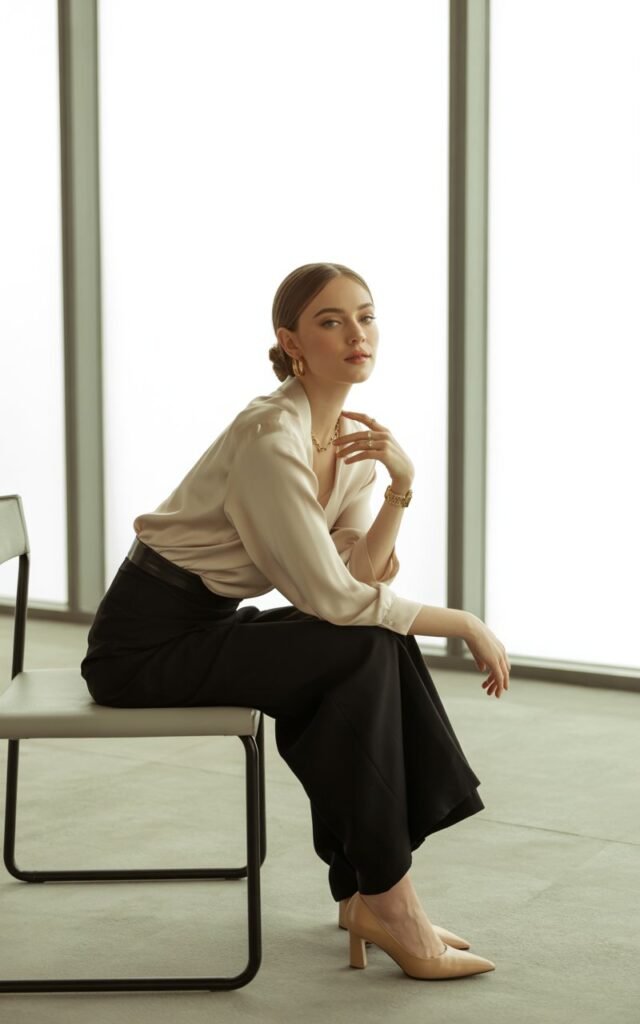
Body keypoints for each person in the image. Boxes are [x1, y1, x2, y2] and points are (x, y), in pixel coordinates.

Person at [80, 261, 511, 981]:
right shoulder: (270, 436)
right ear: (292, 340)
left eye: (366, 317)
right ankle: (385, 898)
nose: (356, 334)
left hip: (205, 624)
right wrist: (463, 623)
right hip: (141, 647)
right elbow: (332, 600)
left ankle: (367, 892)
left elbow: (356, 580)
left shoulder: (347, 446)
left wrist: (401, 488)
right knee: (361, 646)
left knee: (366, 647)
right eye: (331, 321)